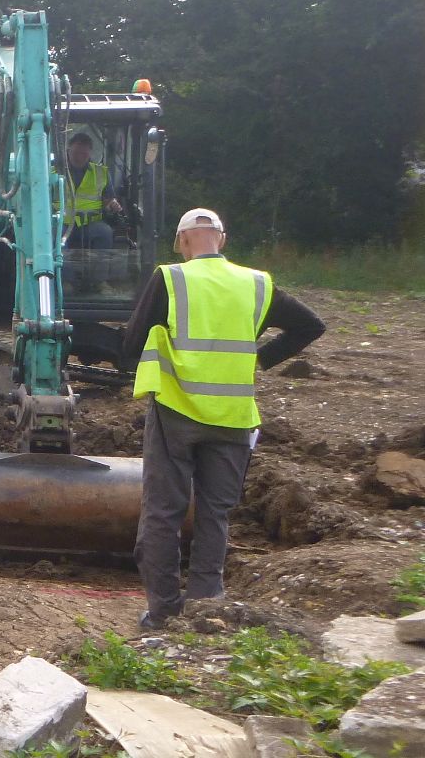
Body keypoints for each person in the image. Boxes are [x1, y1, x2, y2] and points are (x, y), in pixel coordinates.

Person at [123, 207, 324, 629]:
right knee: (215, 513)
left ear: (182, 242)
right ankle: (205, 609)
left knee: (163, 512)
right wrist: (260, 358)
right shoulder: (256, 284)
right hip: (233, 417)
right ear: (223, 239)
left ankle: (161, 612)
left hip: (176, 412)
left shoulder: (171, 278)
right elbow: (310, 325)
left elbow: (130, 346)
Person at [63, 132, 120, 251]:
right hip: (61, 224)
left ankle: (99, 269)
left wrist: (112, 204)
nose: (79, 157)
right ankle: (62, 269)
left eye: (84, 154)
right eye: (76, 153)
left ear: (90, 154)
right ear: (68, 150)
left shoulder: (101, 173)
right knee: (52, 236)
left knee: (105, 232)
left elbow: (108, 200)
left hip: (89, 224)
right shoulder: (53, 172)